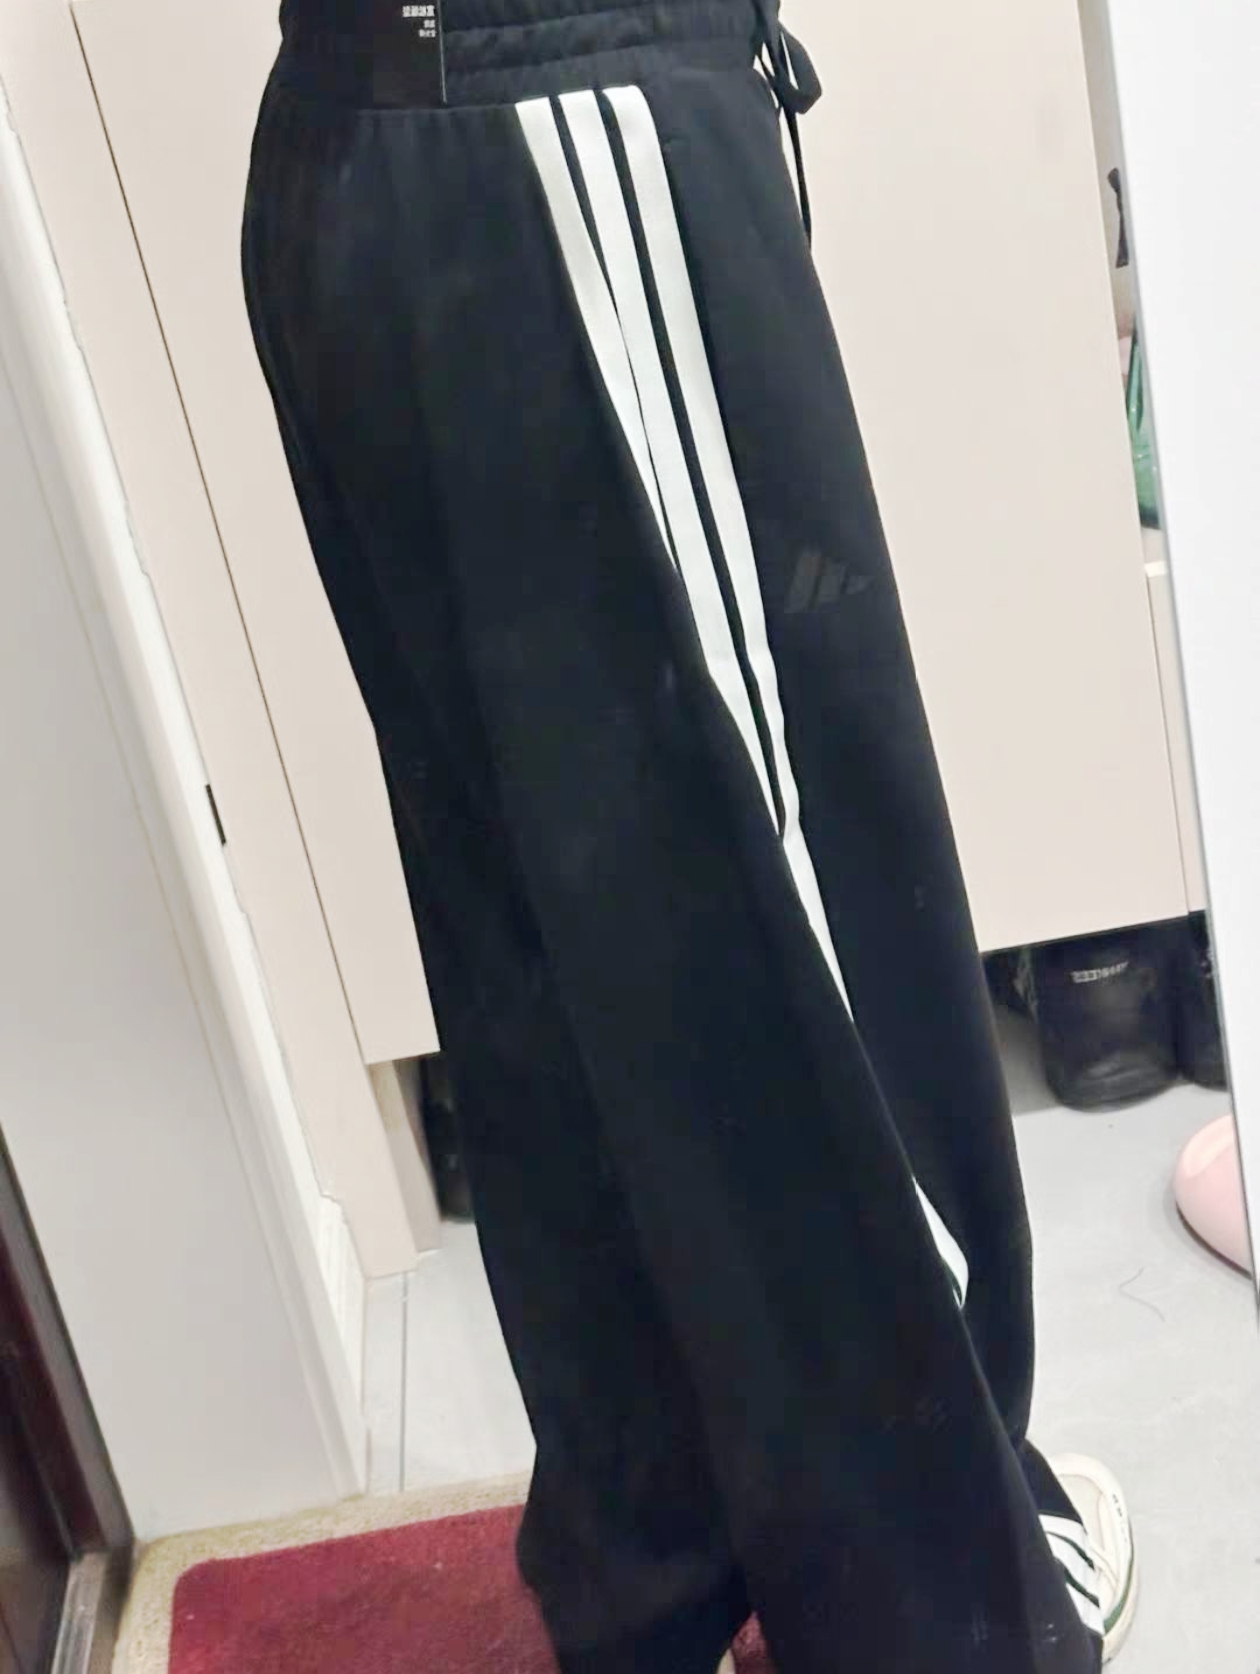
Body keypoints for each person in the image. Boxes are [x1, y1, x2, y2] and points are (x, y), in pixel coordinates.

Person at [242, 2, 1136, 1667]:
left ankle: (664, 1583)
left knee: (549, 982)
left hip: (359, 142)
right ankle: (940, 1621)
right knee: (799, 948)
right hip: (562, 129)